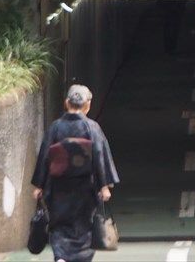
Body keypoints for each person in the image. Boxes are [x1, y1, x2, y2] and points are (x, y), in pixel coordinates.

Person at [32, 85, 120, 262]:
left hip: (58, 188)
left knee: (58, 225)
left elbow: (45, 156)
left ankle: (61, 257)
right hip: (84, 188)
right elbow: (99, 157)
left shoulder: (55, 127)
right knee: (84, 225)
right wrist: (104, 186)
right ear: (87, 105)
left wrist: (39, 185)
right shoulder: (92, 127)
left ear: (66, 103)